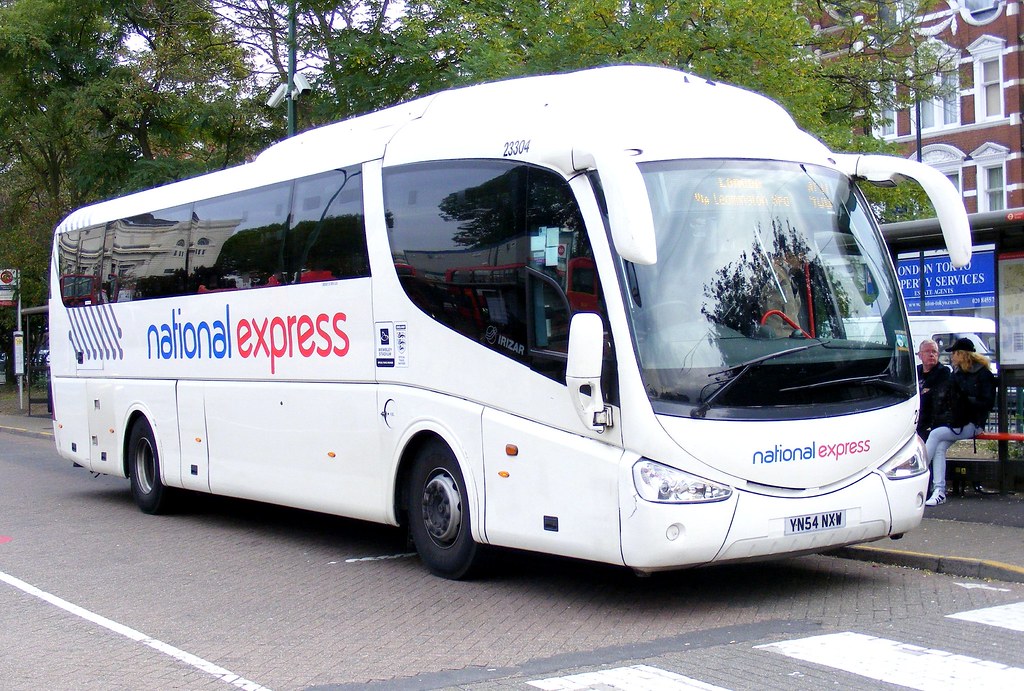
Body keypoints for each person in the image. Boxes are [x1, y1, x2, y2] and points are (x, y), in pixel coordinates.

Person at [924, 337, 996, 506]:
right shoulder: (957, 373)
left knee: (935, 434)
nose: (951, 357)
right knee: (940, 447)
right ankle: (939, 490)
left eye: (954, 353)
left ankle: (917, 471)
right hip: (957, 421)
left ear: (961, 354)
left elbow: (987, 402)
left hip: (974, 424)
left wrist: (966, 401)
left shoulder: (984, 374)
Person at [916, 338, 950, 440]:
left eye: (934, 351)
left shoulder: (943, 371)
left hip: (932, 421)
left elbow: (935, 395)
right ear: (920, 355)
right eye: (927, 351)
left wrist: (923, 394)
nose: (931, 354)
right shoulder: (916, 371)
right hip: (916, 417)